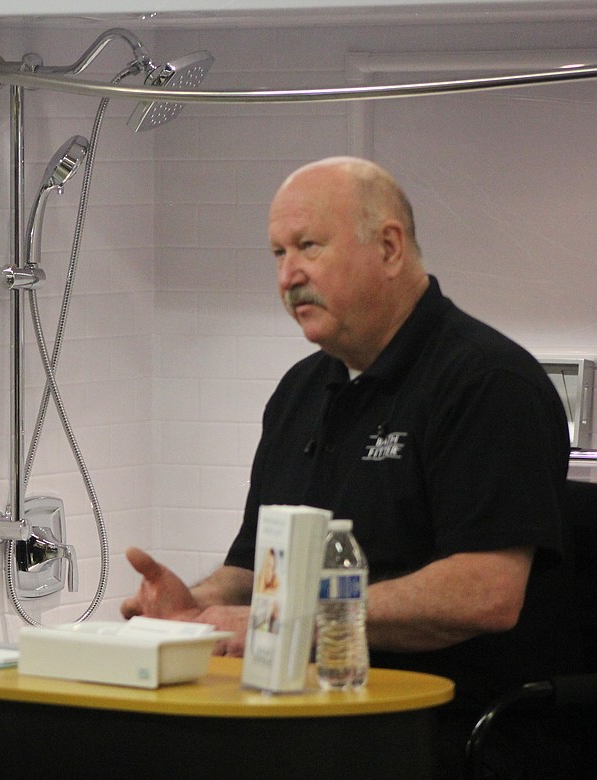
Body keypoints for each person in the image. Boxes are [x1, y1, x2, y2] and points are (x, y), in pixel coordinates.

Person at [122, 156, 584, 777]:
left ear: (389, 247)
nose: (289, 276)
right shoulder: (300, 392)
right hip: (307, 718)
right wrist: (194, 609)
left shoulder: (488, 384)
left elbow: (486, 594)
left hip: (447, 730)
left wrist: (291, 619)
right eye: (278, 254)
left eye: (308, 246)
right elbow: (253, 566)